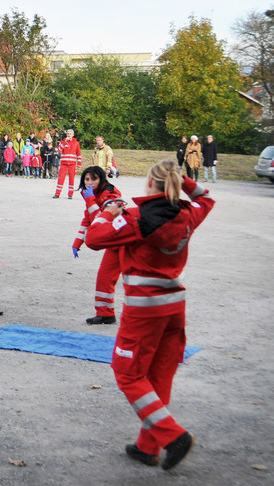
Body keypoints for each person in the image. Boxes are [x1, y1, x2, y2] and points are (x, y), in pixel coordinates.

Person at [85, 160, 214, 471]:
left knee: (128, 374)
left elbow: (94, 238)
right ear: (176, 183)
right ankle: (148, 447)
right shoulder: (187, 214)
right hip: (175, 309)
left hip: (144, 312)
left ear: (149, 184)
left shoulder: (136, 217)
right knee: (158, 376)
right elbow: (206, 198)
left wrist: (107, 212)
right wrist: (183, 180)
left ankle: (174, 436)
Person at [72, 166, 122, 325]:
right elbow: (87, 219)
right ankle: (105, 314)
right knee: (104, 277)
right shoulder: (94, 196)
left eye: (94, 179)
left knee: (135, 280)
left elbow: (101, 221)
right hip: (115, 242)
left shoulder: (110, 196)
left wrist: (91, 200)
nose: (90, 182)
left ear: (101, 180)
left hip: (126, 240)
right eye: (87, 179)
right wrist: (77, 243)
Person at [53, 129, 82, 199]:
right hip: (64, 163)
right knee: (61, 178)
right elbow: (59, 150)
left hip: (72, 164)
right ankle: (57, 194)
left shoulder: (76, 143)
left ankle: (70, 194)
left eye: (70, 133)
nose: (69, 135)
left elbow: (78, 153)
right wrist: (64, 143)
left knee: (72, 179)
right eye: (68, 133)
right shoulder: (62, 141)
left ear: (73, 135)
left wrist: (79, 163)